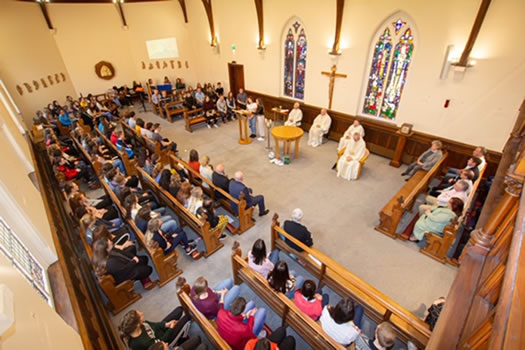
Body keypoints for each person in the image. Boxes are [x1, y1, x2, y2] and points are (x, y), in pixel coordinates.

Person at [119, 307, 191, 350]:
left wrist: (166, 325)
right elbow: (162, 342)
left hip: (160, 332)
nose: (142, 312)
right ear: (137, 324)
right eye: (140, 315)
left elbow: (154, 325)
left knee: (179, 309)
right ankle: (182, 339)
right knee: (187, 317)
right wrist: (171, 328)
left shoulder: (141, 324)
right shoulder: (143, 343)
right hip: (164, 341)